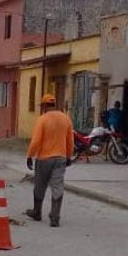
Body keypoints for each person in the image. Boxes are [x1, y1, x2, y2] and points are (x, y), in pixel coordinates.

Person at [24, 94, 75, 228]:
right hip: (60, 158)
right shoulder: (66, 118)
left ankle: (37, 212)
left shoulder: (43, 119)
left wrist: (29, 155)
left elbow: (36, 141)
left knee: (40, 185)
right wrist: (69, 156)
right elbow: (70, 140)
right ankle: (55, 217)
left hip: (44, 159)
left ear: (45, 106)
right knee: (57, 186)